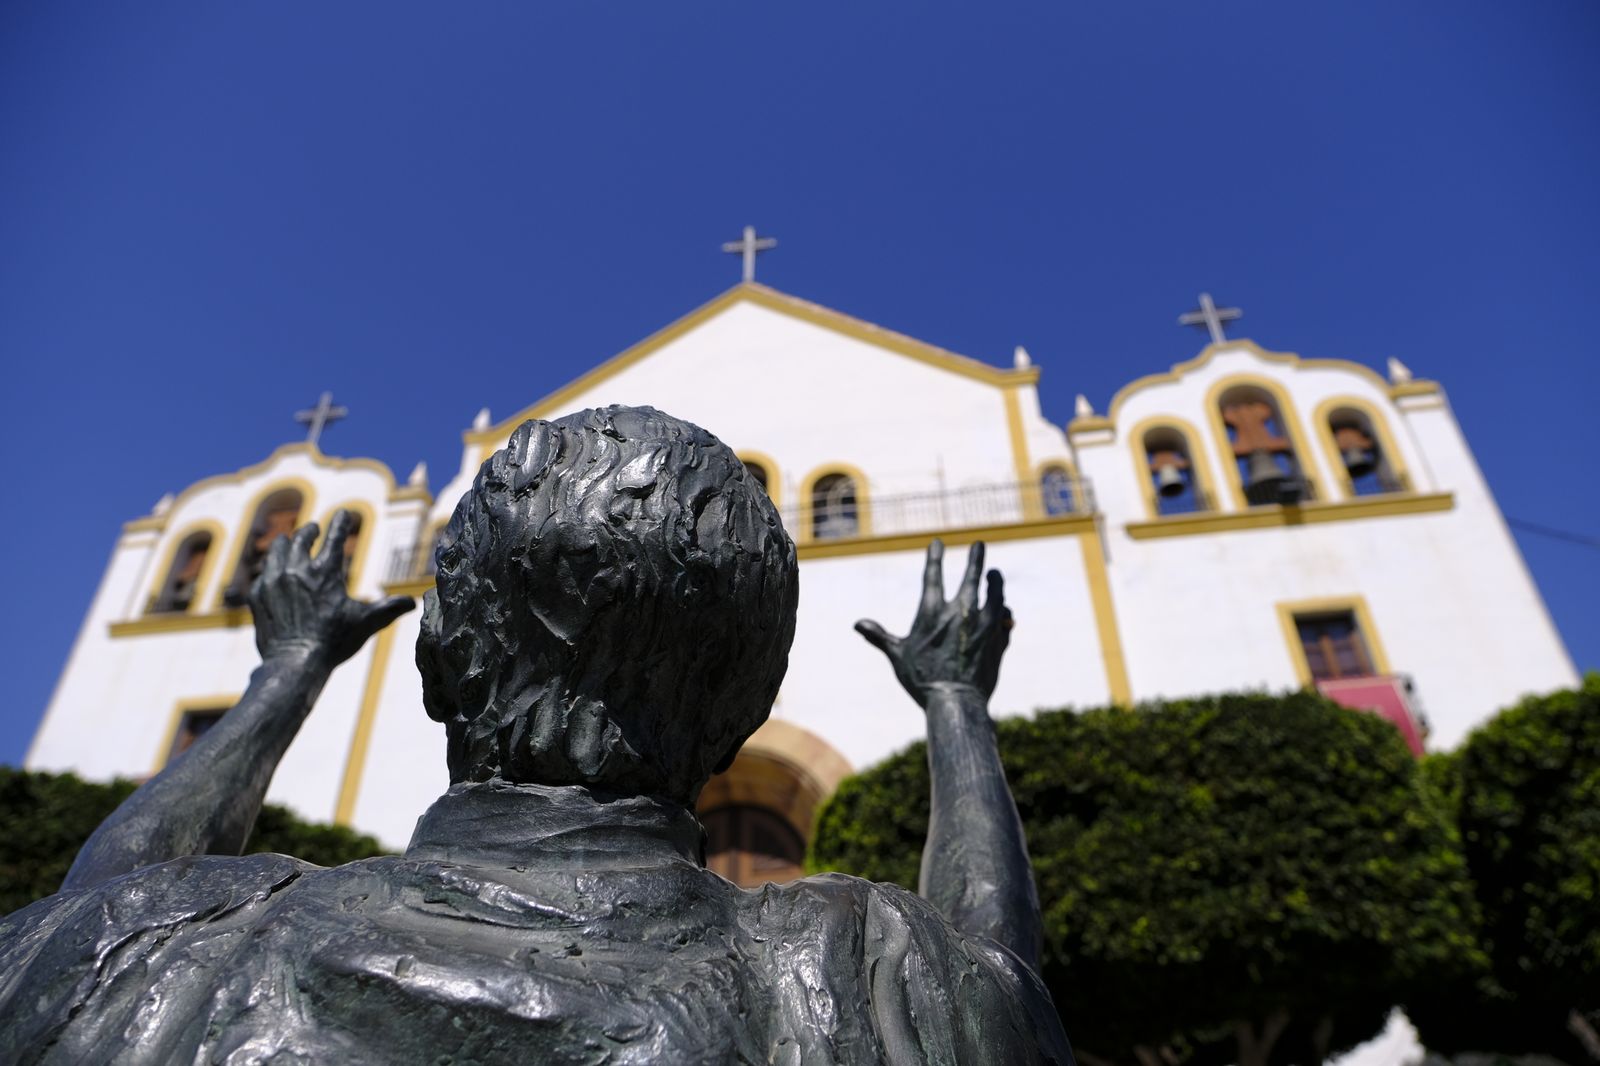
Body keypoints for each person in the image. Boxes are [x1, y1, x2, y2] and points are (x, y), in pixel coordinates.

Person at [0, 406, 1073, 1065]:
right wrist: (955, 702)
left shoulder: (156, 944)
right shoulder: (861, 968)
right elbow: (990, 972)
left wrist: (289, 669)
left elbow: (108, 900)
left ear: (434, 660)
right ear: (746, 711)